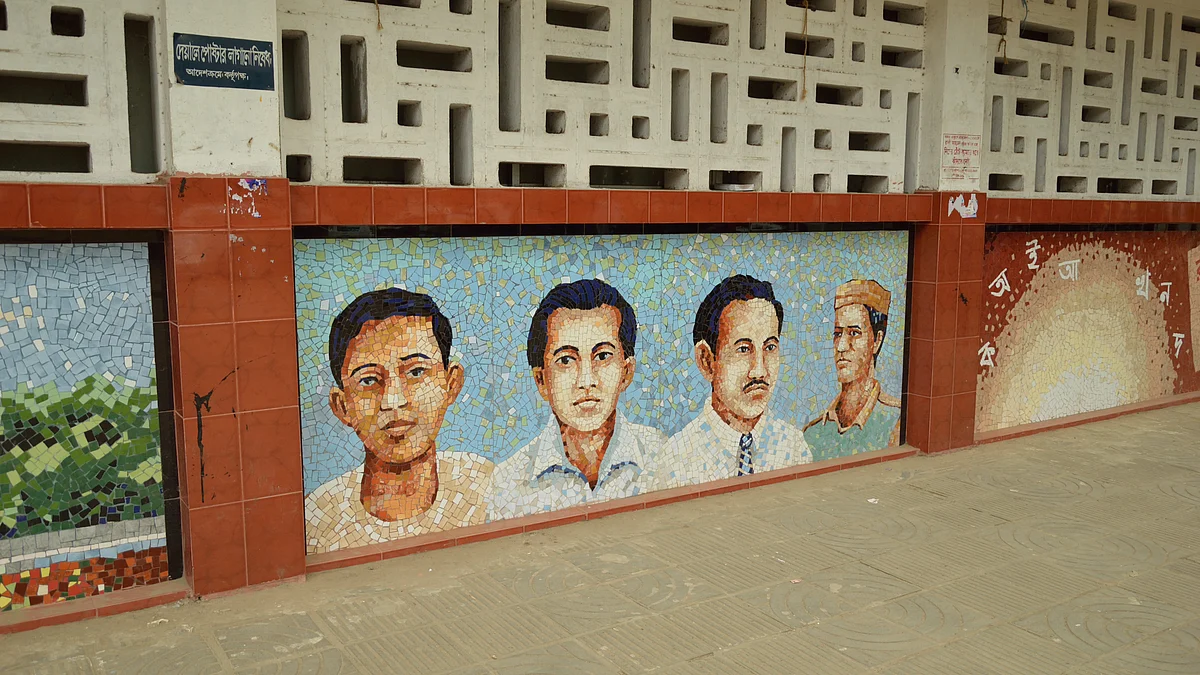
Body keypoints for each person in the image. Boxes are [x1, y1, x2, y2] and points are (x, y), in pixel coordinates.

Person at [305, 288, 492, 554]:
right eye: (368, 380)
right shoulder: (319, 517)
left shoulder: (488, 487)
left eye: (416, 372)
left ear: (451, 384)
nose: (393, 400)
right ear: (342, 405)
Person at [489, 279, 666, 520]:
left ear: (626, 372)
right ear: (541, 380)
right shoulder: (508, 482)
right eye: (566, 360)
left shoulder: (663, 456)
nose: (586, 380)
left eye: (603, 356)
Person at [662, 275, 810, 488]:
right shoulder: (674, 462)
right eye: (743, 349)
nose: (759, 371)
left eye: (769, 348)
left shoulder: (794, 447)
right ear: (706, 361)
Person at [803, 279, 901, 461]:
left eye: (854, 333)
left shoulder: (895, 421)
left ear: (876, 341)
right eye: (837, 333)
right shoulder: (813, 433)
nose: (841, 346)